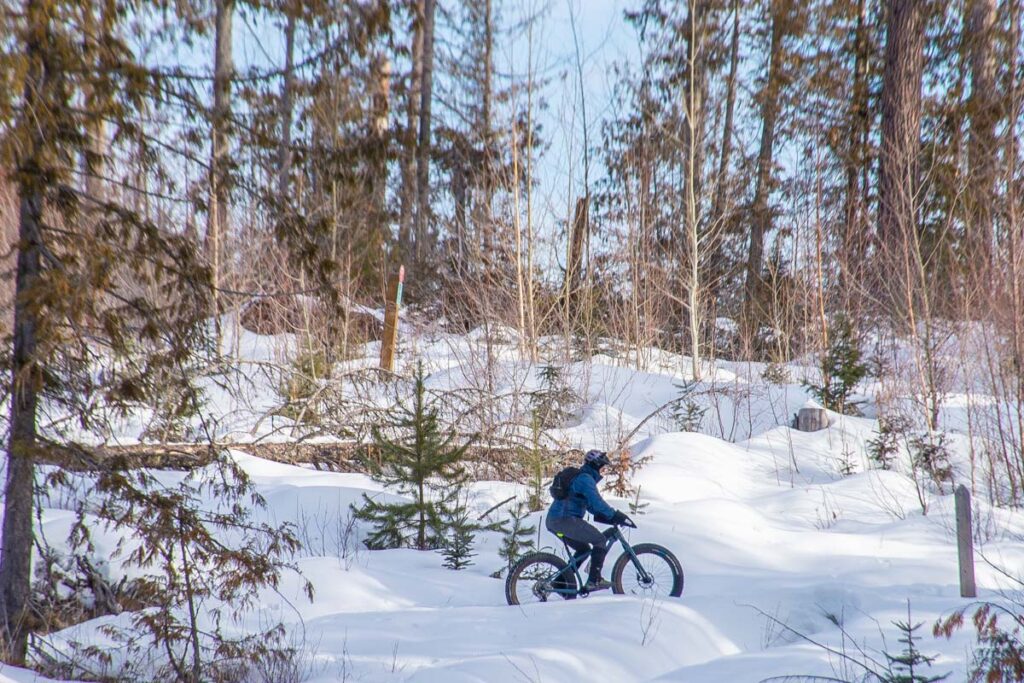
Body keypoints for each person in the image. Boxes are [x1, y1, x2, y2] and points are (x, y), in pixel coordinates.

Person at [546, 449, 635, 591]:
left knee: (584, 549)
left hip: (556, 521)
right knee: (599, 540)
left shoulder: (582, 477)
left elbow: (591, 506)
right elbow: (597, 502)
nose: (603, 471)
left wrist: (607, 517)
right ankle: (594, 580)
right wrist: (615, 515)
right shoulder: (585, 479)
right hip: (564, 520)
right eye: (602, 467)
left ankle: (559, 584)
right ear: (596, 465)